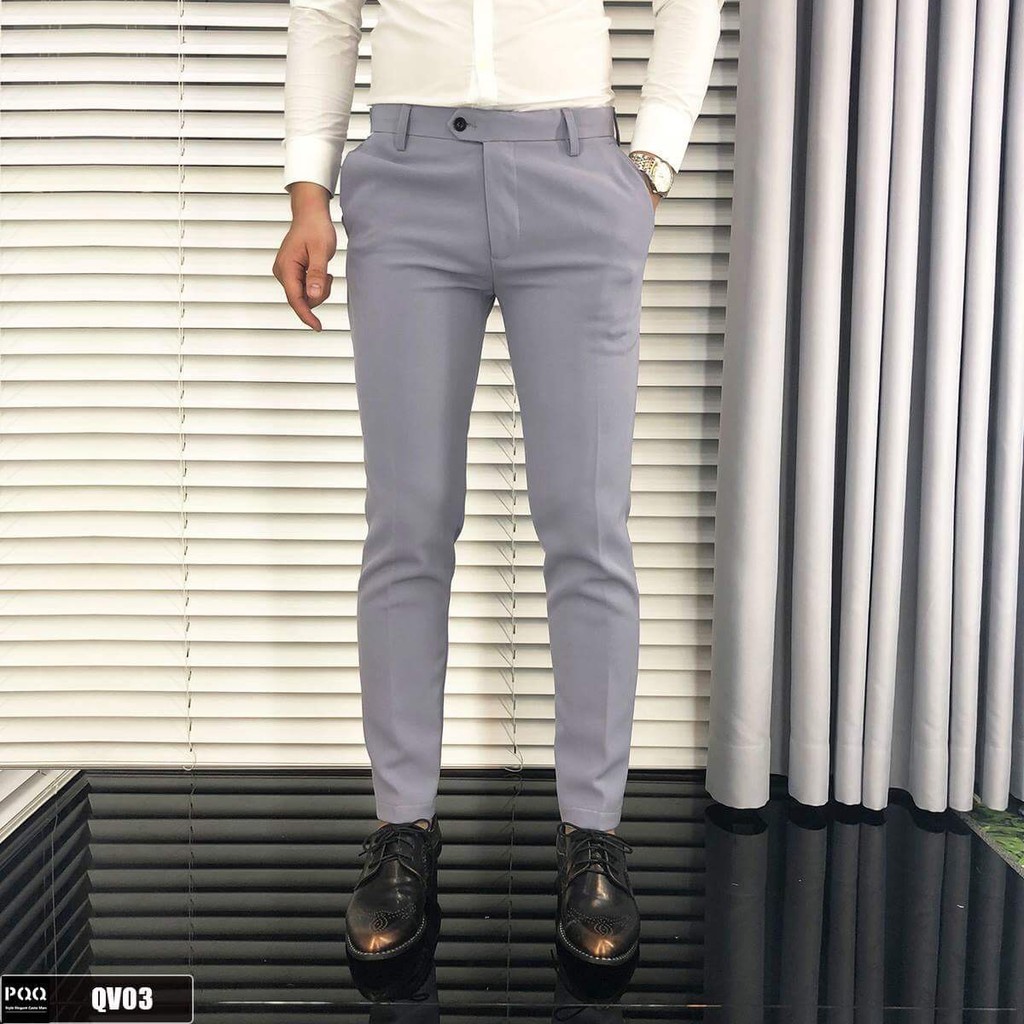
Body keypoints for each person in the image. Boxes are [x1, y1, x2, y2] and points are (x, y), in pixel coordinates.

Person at [274, 0, 722, 968]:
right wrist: (309, 188)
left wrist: (651, 158)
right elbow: (326, 8)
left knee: (586, 524)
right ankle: (402, 827)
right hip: (407, 181)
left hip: (574, 172)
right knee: (408, 521)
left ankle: (592, 833)